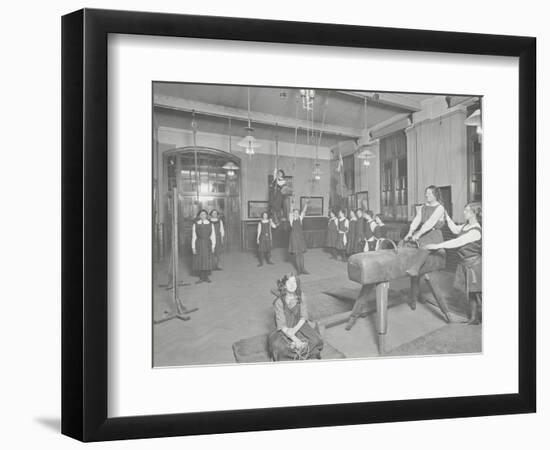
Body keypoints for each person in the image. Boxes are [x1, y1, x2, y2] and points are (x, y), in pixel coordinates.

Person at [425, 203, 482, 325]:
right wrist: (446, 214)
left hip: (474, 265)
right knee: (471, 292)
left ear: (474, 214)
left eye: (466, 211)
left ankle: (481, 317)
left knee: (478, 293)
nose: (464, 212)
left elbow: (458, 241)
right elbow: (455, 229)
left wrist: (436, 246)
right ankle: (474, 318)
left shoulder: (476, 231)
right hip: (465, 263)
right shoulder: (466, 226)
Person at [267, 274, 324, 361]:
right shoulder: (279, 302)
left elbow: (303, 317)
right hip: (285, 328)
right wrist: (295, 339)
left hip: (299, 324)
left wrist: (294, 330)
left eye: (294, 282)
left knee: (316, 340)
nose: (292, 285)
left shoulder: (301, 296)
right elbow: (281, 325)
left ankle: (304, 353)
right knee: (280, 347)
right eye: (289, 282)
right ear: (284, 285)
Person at [403, 185, 446, 276]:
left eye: (429, 193)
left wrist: (417, 235)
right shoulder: (423, 207)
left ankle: (415, 269)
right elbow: (417, 220)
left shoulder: (440, 208)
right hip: (423, 233)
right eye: (426, 193)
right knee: (405, 243)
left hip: (434, 235)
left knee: (425, 247)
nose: (427, 195)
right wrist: (410, 233)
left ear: (435, 195)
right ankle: (403, 265)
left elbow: (429, 224)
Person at [191, 209, 216, 283]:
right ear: (199, 216)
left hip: (207, 243)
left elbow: (213, 236)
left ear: (207, 215)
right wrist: (193, 247)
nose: (203, 216)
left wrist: (213, 246)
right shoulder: (195, 224)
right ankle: (201, 277)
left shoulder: (210, 224)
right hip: (198, 243)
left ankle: (206, 277)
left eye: (204, 214)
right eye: (201, 214)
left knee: (207, 260)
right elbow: (194, 236)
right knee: (200, 260)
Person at [288, 198, 309, 275]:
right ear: (293, 214)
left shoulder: (300, 218)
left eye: (297, 212)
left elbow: (304, 211)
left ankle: (303, 269)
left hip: (300, 238)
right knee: (297, 254)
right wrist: (292, 203)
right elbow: (290, 210)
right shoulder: (291, 219)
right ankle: (299, 270)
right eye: (295, 212)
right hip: (294, 239)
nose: (296, 213)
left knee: (301, 254)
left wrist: (306, 203)